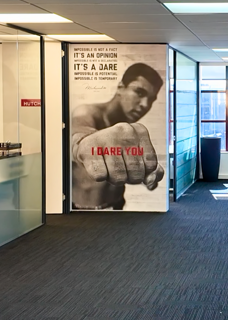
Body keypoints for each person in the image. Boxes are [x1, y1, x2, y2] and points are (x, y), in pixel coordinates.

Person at [70, 63, 165, 210]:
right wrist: (84, 141)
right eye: (139, 93)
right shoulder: (87, 112)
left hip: (117, 205)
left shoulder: (128, 131)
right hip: (83, 212)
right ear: (121, 87)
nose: (145, 105)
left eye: (151, 99)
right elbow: (78, 130)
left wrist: (142, 171)